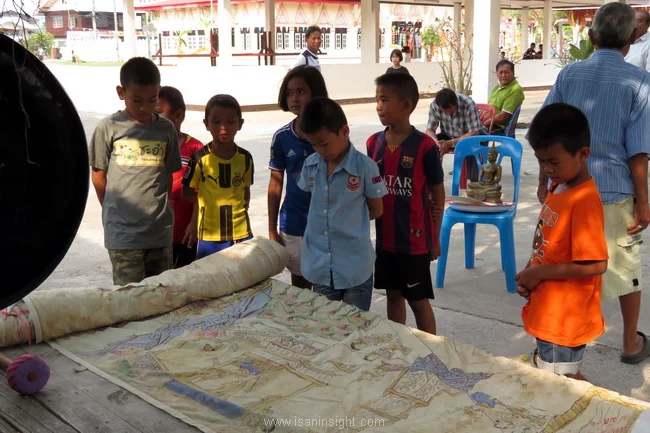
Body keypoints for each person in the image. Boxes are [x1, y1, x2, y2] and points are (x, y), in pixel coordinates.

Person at [538, 2, 650, 364]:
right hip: (615, 193)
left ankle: (551, 341)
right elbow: (638, 154)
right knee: (624, 270)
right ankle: (631, 343)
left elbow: (547, 131)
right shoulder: (640, 82)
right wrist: (644, 202)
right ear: (634, 38)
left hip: (568, 191)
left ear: (590, 35)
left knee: (561, 264)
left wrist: (546, 184)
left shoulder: (569, 75)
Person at [517, 103, 608, 381]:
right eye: (540, 161)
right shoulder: (559, 186)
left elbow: (596, 263)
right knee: (556, 375)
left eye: (553, 162)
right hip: (549, 308)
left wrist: (538, 273)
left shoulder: (583, 201)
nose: (546, 169)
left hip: (564, 317)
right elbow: (547, 239)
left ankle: (604, 417)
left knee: (560, 382)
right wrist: (531, 269)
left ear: (582, 154)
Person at [89, 57, 181, 286]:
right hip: (123, 236)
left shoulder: (166, 129)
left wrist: (163, 209)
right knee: (129, 300)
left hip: (159, 232)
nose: (144, 107)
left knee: (160, 295)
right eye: (136, 99)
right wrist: (114, 210)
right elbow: (98, 174)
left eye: (152, 100)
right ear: (121, 92)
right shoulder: (108, 128)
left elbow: (168, 176)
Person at [367, 73, 445, 335]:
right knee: (392, 295)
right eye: (377, 99)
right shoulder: (373, 144)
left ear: (406, 105)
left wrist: (434, 238)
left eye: (385, 100)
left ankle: (432, 351)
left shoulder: (425, 147)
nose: (379, 106)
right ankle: (396, 344)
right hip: (385, 240)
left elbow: (437, 194)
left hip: (414, 243)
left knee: (418, 301)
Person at [297, 97, 387, 311]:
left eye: (324, 143)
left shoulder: (365, 167)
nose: (320, 150)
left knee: (354, 330)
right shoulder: (310, 166)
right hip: (320, 267)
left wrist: (348, 221)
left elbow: (376, 209)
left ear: (344, 132)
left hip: (355, 268)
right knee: (326, 329)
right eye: (314, 144)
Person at [268, 66, 328, 289]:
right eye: (290, 93)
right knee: (300, 287)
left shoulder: (330, 134)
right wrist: (272, 228)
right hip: (293, 223)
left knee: (325, 288)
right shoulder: (282, 137)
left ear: (316, 93)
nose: (295, 98)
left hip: (326, 224)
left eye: (302, 91)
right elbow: (275, 184)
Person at [182, 95, 254, 259]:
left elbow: (246, 190)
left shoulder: (245, 158)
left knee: (243, 276)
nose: (223, 127)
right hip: (210, 233)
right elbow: (186, 192)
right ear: (206, 124)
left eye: (230, 122)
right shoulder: (199, 158)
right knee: (211, 277)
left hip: (240, 230)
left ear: (240, 124)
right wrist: (208, 202)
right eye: (216, 122)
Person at [156, 86, 204, 268]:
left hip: (185, 231)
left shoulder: (195, 149)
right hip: (158, 231)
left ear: (178, 116)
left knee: (184, 277)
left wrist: (194, 222)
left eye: (159, 113)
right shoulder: (149, 147)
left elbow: (200, 192)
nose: (154, 119)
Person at [425, 88, 483, 181]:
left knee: (475, 175)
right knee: (428, 145)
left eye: (450, 109)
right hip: (448, 134)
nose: (447, 112)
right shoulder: (435, 105)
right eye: (444, 110)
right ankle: (432, 180)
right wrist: (437, 143)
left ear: (456, 102)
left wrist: (451, 143)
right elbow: (430, 130)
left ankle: (474, 182)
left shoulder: (468, 104)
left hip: (470, 137)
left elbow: (474, 132)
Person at [483, 60, 525, 135]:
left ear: (513, 73)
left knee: (473, 133)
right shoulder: (498, 87)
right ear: (497, 74)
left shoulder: (515, 90)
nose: (503, 75)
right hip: (488, 122)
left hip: (498, 126)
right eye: (501, 72)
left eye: (506, 72)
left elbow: (503, 117)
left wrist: (484, 123)